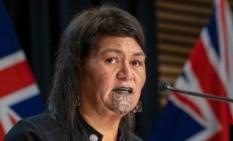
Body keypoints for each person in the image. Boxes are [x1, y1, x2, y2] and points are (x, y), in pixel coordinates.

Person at [4, 4, 146, 141]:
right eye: (112, 60)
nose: (127, 74)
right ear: (77, 68)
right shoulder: (33, 136)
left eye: (136, 62)